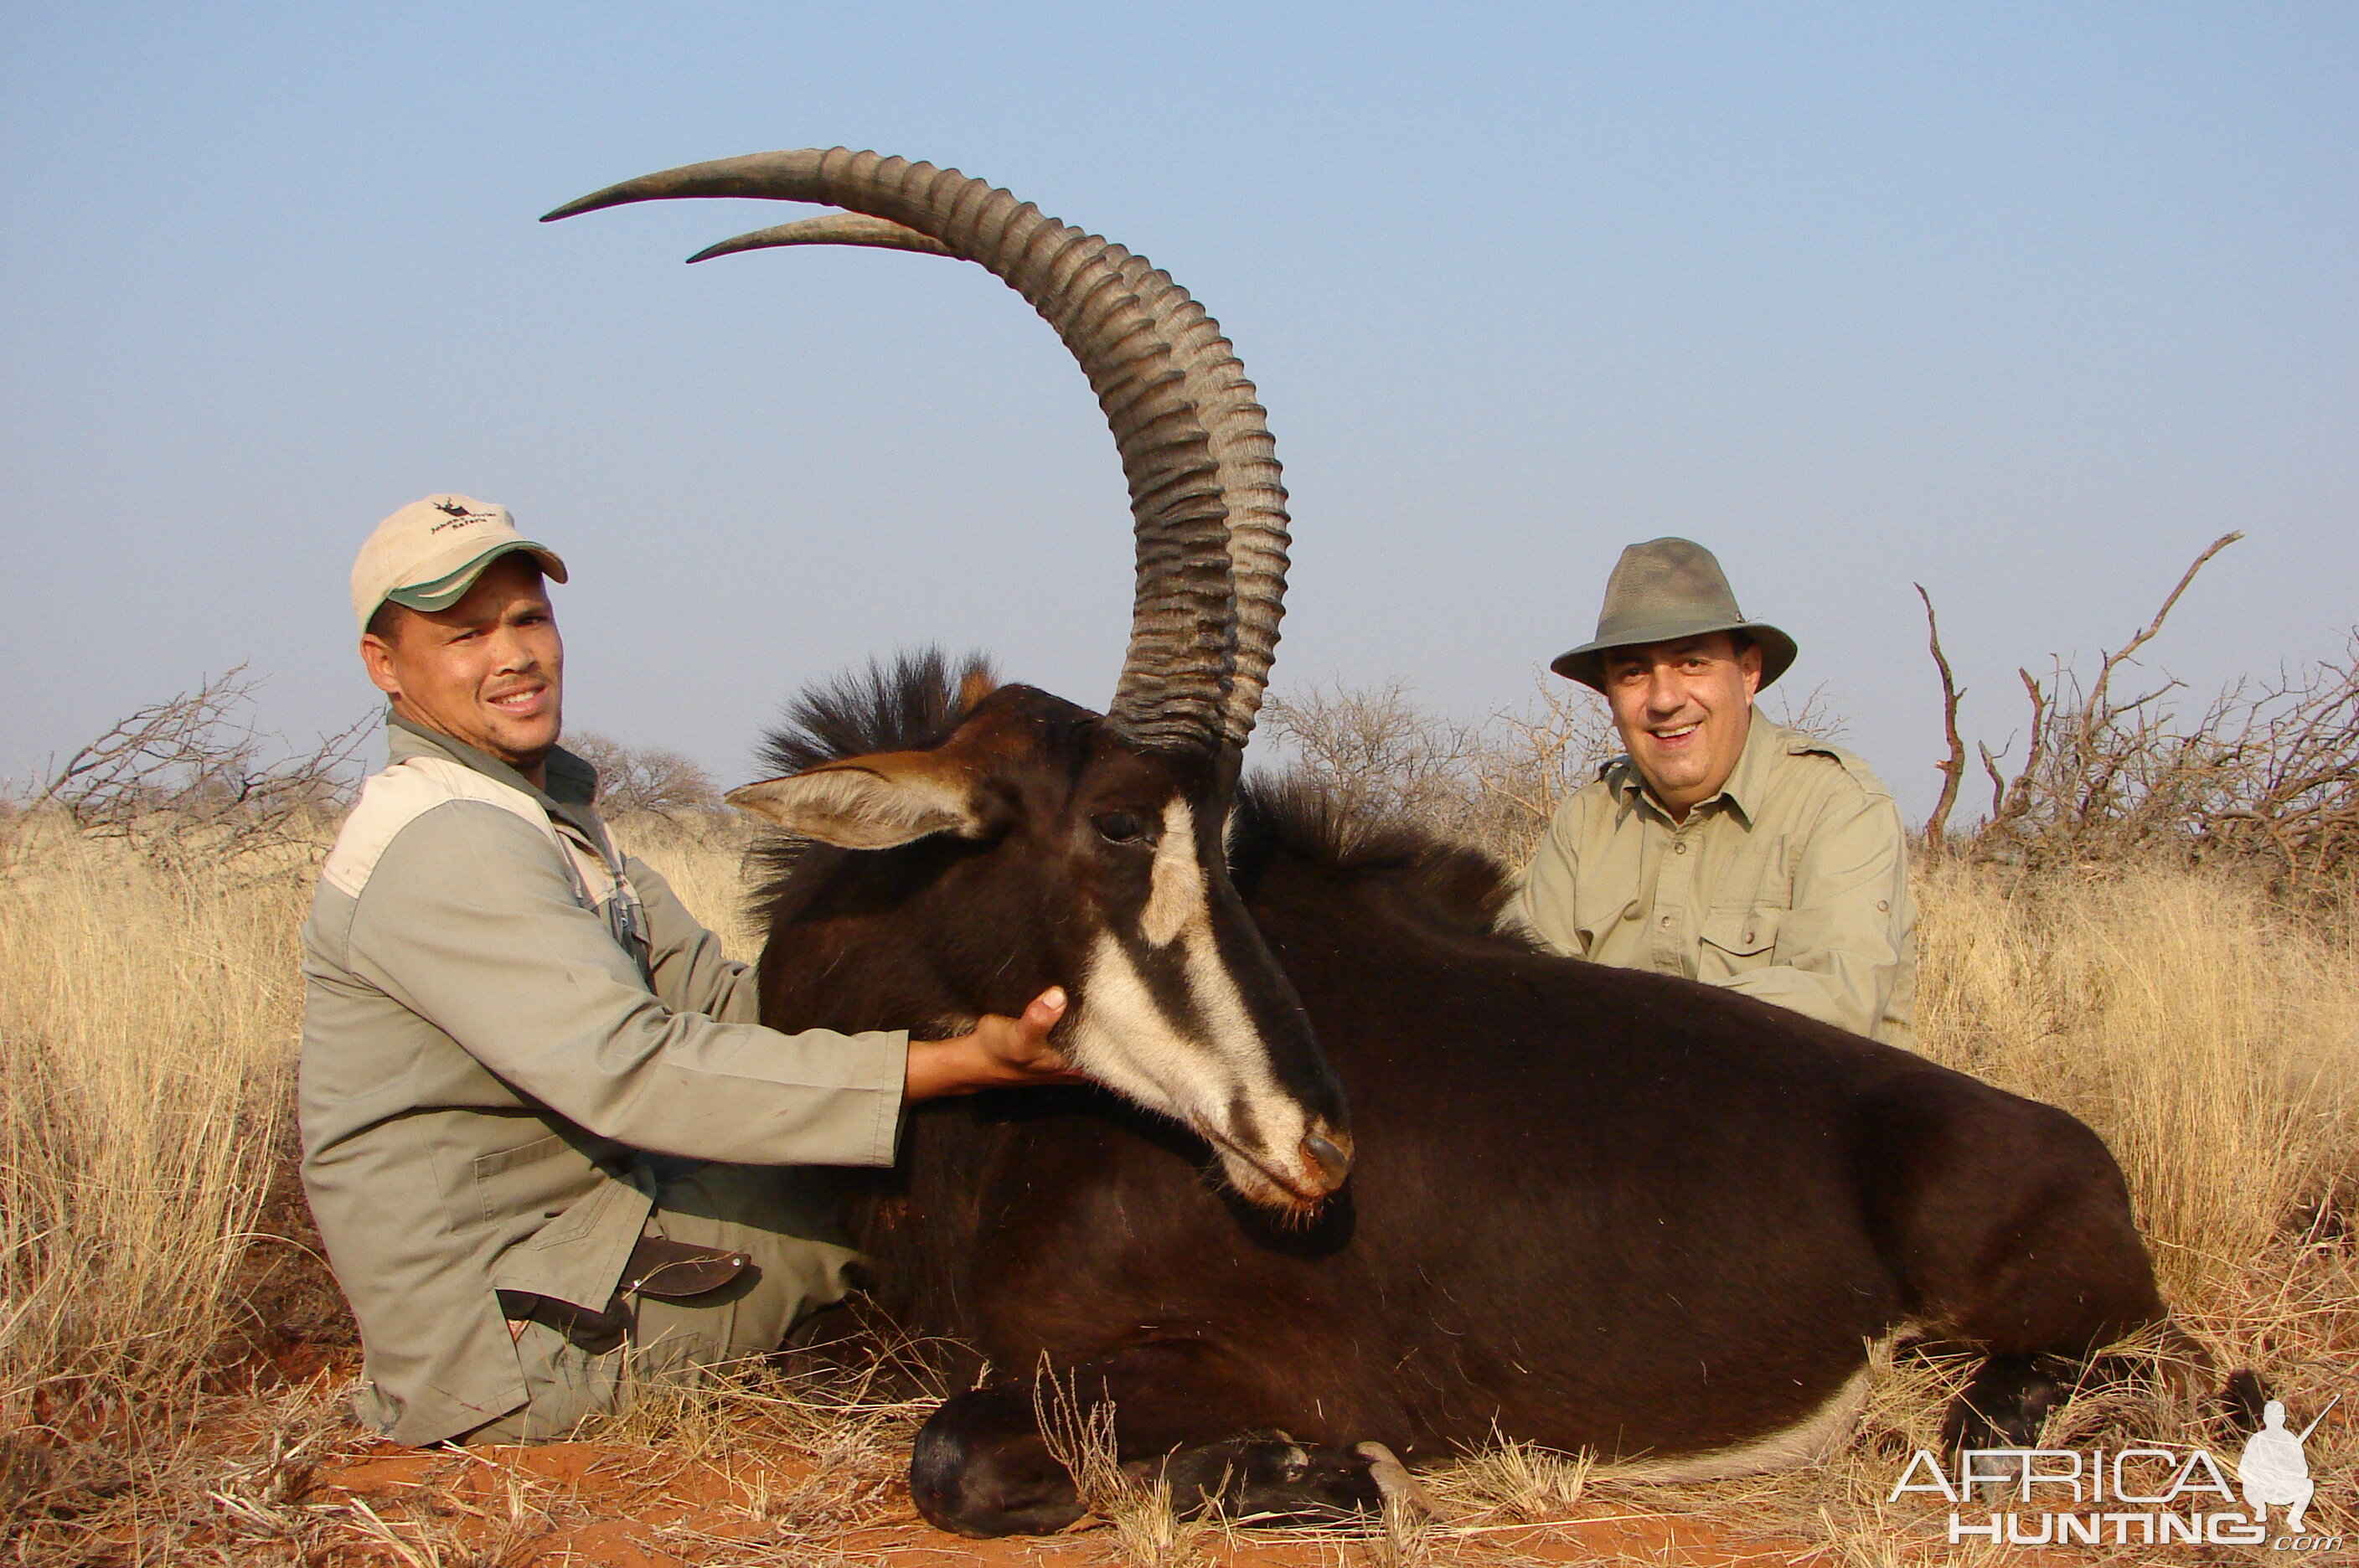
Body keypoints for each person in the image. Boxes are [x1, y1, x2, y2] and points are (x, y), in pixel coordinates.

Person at [301, 494, 1081, 1446]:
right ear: (384, 666)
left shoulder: (540, 818)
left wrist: (957, 971)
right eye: (465, 634)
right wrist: (956, 1067)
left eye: (526, 618)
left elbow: (732, 1006)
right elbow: (637, 1073)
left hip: (588, 1234)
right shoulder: (445, 839)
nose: (513, 656)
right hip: (510, 1341)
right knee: (890, 1225)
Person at [1509, 537, 1917, 1047]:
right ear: (1609, 697)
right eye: (1634, 673)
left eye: (1692, 663)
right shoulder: (1584, 821)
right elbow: (1521, 999)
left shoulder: (1838, 804)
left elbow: (1834, 1004)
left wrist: (1627, 1029)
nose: (1665, 699)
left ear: (1748, 673)